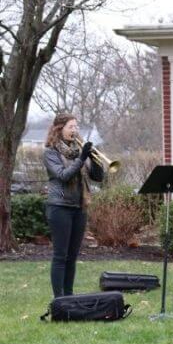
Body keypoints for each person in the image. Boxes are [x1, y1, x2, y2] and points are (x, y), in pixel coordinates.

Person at [43, 113, 104, 298]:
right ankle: (59, 299)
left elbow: (98, 178)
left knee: (72, 257)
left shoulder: (78, 151)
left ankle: (69, 296)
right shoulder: (50, 152)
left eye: (76, 127)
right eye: (71, 127)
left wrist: (94, 159)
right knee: (61, 256)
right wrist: (81, 158)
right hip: (59, 206)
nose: (75, 130)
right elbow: (63, 175)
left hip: (79, 207)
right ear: (59, 129)